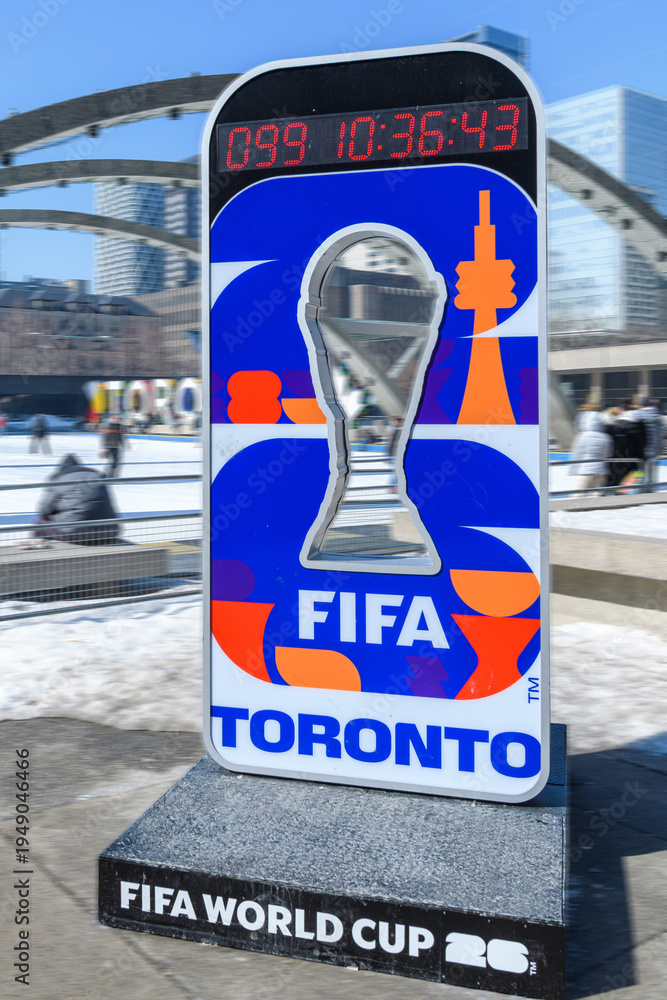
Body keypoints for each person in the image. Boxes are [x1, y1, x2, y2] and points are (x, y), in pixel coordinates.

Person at [34, 453, 119, 545]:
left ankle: (39, 550)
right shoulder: (97, 476)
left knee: (40, 523)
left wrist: (56, 513)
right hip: (110, 530)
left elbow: (44, 510)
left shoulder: (59, 479)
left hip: (76, 532)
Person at [570, 408, 613, 494]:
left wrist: (573, 470)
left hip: (584, 471)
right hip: (601, 471)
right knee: (596, 496)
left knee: (577, 495)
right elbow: (608, 454)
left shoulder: (582, 436)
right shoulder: (606, 437)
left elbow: (578, 454)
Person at [627, 397, 663, 486]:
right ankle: (650, 488)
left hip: (643, 448)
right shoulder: (657, 415)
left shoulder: (639, 415)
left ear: (642, 405)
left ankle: (642, 489)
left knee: (640, 471)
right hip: (655, 449)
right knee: (651, 473)